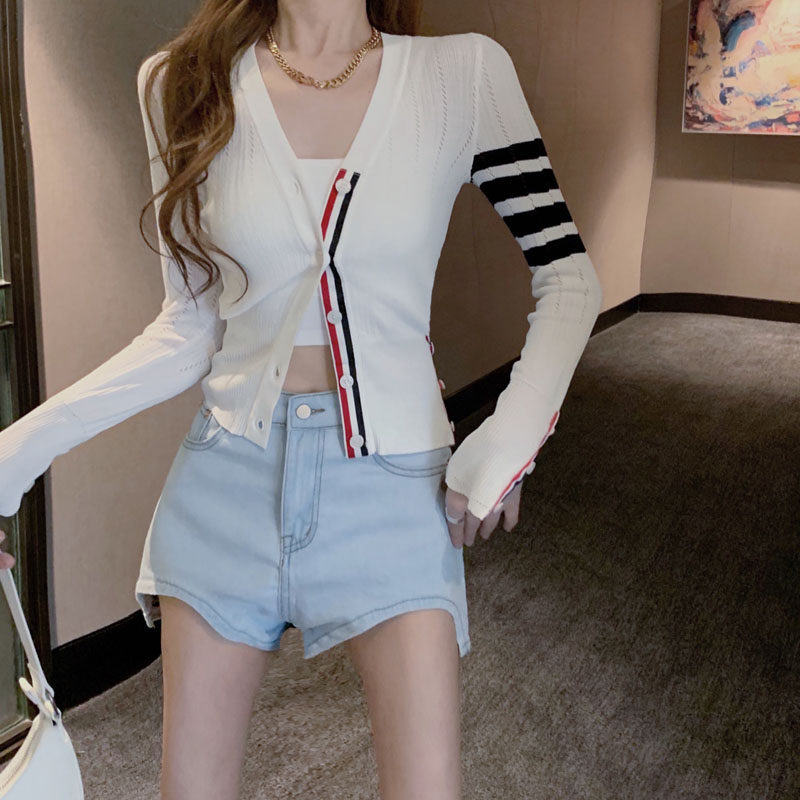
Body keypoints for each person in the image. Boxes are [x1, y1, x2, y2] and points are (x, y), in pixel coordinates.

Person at [0, 0, 603, 797]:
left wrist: (511, 434)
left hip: (395, 493)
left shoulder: (461, 75)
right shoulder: (180, 84)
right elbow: (188, 328)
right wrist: (13, 454)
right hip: (225, 485)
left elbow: (568, 277)